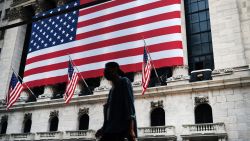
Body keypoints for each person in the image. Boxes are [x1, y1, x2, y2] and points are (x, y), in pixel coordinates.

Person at [95, 62, 137, 141]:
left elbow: (129, 104)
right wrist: (103, 128)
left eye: (107, 69)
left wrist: (131, 129)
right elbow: (108, 112)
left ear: (115, 69)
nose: (105, 72)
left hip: (121, 129)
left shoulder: (124, 81)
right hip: (110, 129)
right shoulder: (111, 90)